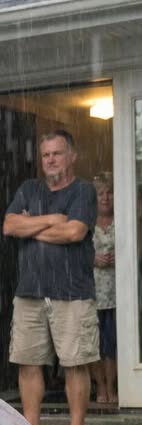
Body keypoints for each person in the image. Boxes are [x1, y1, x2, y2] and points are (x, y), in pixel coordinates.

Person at [3, 129, 99, 425]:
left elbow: (74, 232)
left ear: (71, 156)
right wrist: (51, 221)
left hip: (72, 292)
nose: (51, 160)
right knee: (28, 362)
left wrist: (32, 228)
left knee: (75, 362)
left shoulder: (84, 191)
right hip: (30, 292)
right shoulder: (29, 189)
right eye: (46, 155)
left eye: (57, 153)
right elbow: (9, 226)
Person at [90, 172, 117, 404]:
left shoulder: (124, 220)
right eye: (101, 193)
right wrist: (94, 259)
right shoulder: (87, 222)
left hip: (119, 294)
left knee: (113, 344)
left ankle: (112, 387)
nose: (106, 197)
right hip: (93, 294)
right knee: (95, 345)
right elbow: (75, 253)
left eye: (109, 192)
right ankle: (100, 388)